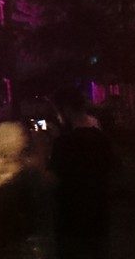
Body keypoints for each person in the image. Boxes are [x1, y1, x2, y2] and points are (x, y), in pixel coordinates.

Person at [50, 90, 116, 259]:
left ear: (66, 110)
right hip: (98, 213)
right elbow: (111, 169)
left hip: (71, 215)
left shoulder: (64, 143)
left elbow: (53, 177)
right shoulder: (102, 139)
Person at [0, 122, 37, 259]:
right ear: (10, 138)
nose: (24, 138)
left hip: (16, 213)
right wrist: (4, 178)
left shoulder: (17, 158)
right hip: (2, 215)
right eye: (20, 135)